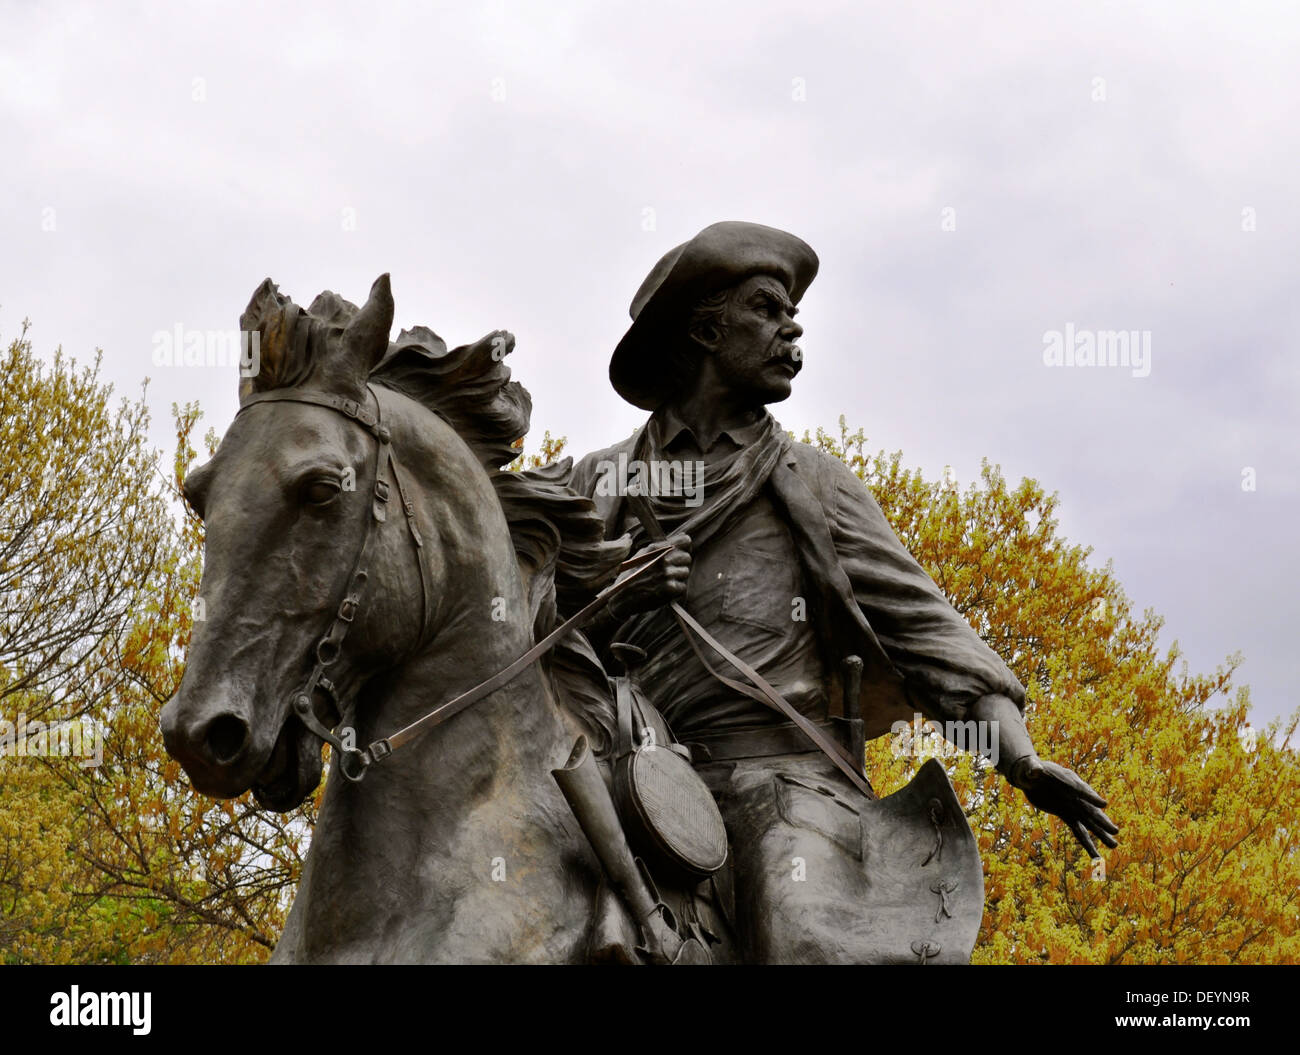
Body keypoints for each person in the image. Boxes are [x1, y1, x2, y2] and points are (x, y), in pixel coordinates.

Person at [565, 221, 1117, 963]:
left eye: (794, 314)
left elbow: (935, 640)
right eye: (766, 308)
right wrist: (612, 598)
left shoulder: (816, 486)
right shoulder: (594, 485)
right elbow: (514, 634)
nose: (792, 328)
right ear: (704, 329)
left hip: (780, 785)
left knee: (802, 929)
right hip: (621, 772)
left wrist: (1018, 758)